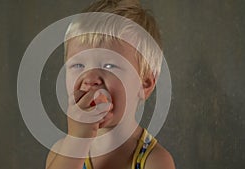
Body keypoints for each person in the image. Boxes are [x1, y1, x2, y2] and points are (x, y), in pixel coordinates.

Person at [46, 0, 175, 169]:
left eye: (109, 65)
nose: (90, 78)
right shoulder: (61, 152)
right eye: (78, 65)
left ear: (144, 85)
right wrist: (77, 142)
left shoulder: (155, 161)